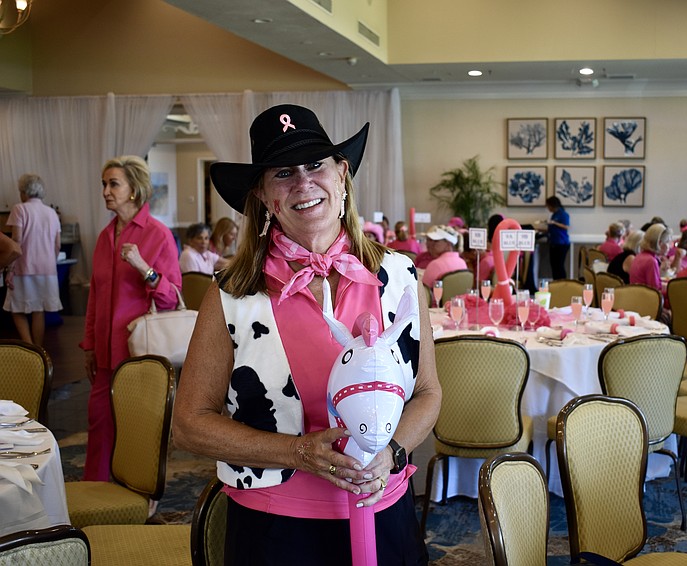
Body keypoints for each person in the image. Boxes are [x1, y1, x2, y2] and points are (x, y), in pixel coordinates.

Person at [171, 104, 440, 565]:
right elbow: (190, 424)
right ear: (262, 195)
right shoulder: (232, 294)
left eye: (316, 164)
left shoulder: (400, 276)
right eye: (283, 173)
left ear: (342, 174)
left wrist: (393, 451)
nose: (303, 182)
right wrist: (297, 452)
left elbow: (429, 392)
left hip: (384, 512)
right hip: (276, 529)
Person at [80, 156, 182, 481]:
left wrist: (144, 268)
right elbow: (95, 296)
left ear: (134, 189)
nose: (105, 191)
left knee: (138, 427)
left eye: (114, 184)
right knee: (99, 421)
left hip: (139, 352)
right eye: (104, 184)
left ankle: (140, 491)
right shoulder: (104, 237)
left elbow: (171, 298)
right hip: (105, 353)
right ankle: (94, 491)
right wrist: (89, 344)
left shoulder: (158, 235)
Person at [2, 174, 62, 347]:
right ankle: (38, 349)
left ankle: (28, 346)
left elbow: (16, 241)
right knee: (38, 309)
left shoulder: (19, 209)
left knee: (16, 309)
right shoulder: (52, 213)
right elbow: (57, 244)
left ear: (24, 192)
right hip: (47, 270)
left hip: (24, 268)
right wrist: (50, 262)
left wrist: (10, 269)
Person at [630, 223, 671, 291]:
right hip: (646, 297)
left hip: (636, 295)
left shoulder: (639, 256)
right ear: (659, 243)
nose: (670, 246)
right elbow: (655, 290)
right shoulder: (651, 261)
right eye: (667, 242)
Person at [545, 196, 570, 280]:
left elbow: (566, 226)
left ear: (553, 205)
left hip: (561, 244)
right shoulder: (554, 215)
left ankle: (562, 282)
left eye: (548, 206)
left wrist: (554, 223)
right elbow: (551, 229)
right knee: (554, 265)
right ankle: (555, 282)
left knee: (559, 265)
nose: (548, 208)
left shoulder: (563, 214)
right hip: (553, 242)